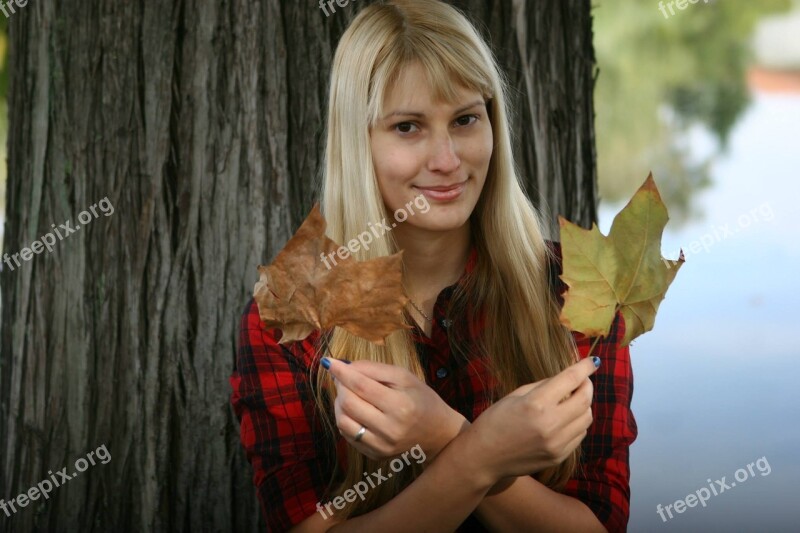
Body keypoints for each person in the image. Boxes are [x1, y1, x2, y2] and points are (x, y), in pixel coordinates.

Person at [230, 1, 637, 531]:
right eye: (408, 127)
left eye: (466, 119)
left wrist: (443, 434)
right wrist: (479, 453)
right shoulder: (287, 317)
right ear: (358, 143)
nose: (447, 160)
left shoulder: (579, 290)